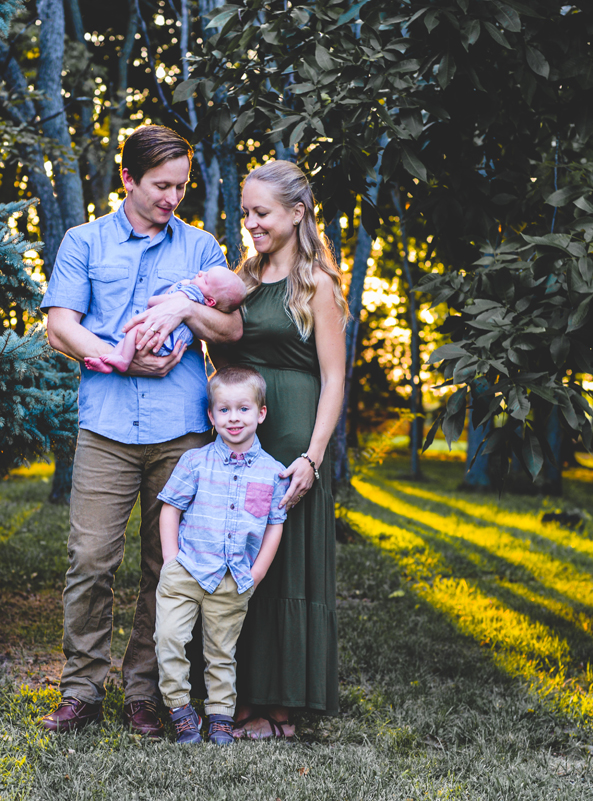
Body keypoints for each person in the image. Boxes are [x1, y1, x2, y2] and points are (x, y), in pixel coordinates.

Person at [39, 125, 242, 737]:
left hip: (181, 431)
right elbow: (59, 327)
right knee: (90, 559)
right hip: (105, 426)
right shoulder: (84, 241)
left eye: (182, 186)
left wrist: (184, 309)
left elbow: (230, 331)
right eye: (161, 185)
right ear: (127, 179)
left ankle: (144, 692)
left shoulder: (202, 247)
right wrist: (117, 355)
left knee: (166, 567)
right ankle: (80, 690)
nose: (172, 197)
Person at [210, 160, 348, 739]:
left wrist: (313, 457)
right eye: (245, 213)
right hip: (239, 438)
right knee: (240, 566)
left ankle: (284, 709)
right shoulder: (241, 276)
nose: (251, 224)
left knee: (286, 568)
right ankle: (242, 698)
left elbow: (335, 378)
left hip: (292, 443)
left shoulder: (317, 283)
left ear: (297, 213)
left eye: (261, 213)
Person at [154, 366, 289, 744]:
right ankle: (180, 710)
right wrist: (171, 559)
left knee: (221, 652)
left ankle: (219, 718)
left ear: (260, 413)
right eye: (224, 410)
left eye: (243, 409)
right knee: (169, 637)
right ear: (211, 416)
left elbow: (274, 523)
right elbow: (171, 507)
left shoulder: (272, 473)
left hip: (234, 578)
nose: (234, 418)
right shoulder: (195, 462)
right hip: (187, 569)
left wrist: (258, 572)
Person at [84, 266, 246, 374]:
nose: (200, 273)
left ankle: (123, 360)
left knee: (134, 330)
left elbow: (162, 301)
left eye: (205, 279)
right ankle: (113, 359)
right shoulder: (201, 298)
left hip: (163, 340)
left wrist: (153, 301)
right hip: (170, 344)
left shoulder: (192, 293)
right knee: (133, 334)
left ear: (210, 301)